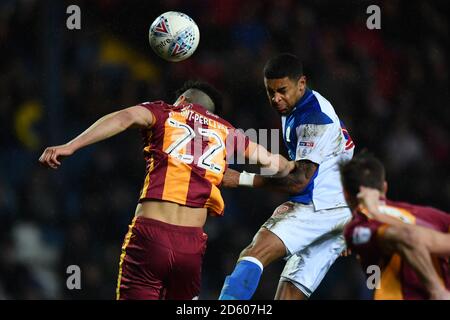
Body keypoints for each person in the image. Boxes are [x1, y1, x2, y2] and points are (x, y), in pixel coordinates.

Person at [39, 80, 292, 300]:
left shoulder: (165, 111)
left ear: (182, 99)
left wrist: (71, 146)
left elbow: (124, 118)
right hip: (191, 246)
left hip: (151, 236)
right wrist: (307, 164)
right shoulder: (227, 132)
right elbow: (276, 164)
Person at [218, 53, 355, 300]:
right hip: (339, 211)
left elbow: (299, 181)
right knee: (290, 292)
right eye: (270, 92)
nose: (275, 98)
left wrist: (242, 179)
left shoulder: (316, 120)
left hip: (319, 208)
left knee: (255, 252)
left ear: (301, 83)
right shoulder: (296, 107)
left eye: (282, 90)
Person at [340, 153, 450, 300]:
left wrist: (437, 290)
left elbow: (408, 237)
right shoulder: (427, 214)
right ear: (384, 187)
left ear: (346, 194)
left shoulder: (362, 222)